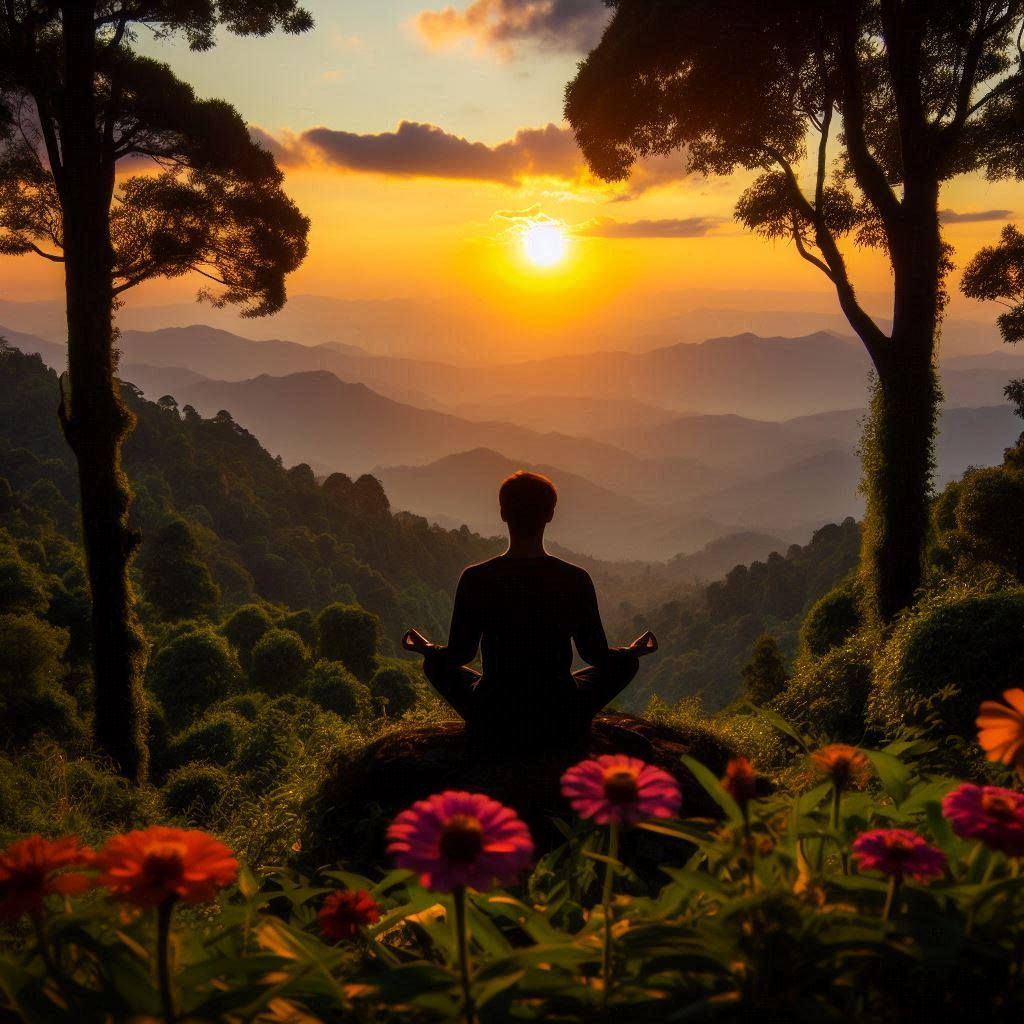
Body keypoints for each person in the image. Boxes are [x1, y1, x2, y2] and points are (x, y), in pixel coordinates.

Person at [402, 471, 658, 756]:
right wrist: (631, 653)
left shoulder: (477, 577)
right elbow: (594, 655)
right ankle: (568, 724)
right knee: (625, 665)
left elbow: (460, 655)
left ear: (503, 513)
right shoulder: (574, 578)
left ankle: (491, 726)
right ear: (549, 515)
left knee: (434, 665)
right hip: (559, 706)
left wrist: (427, 648)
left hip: (494, 707)